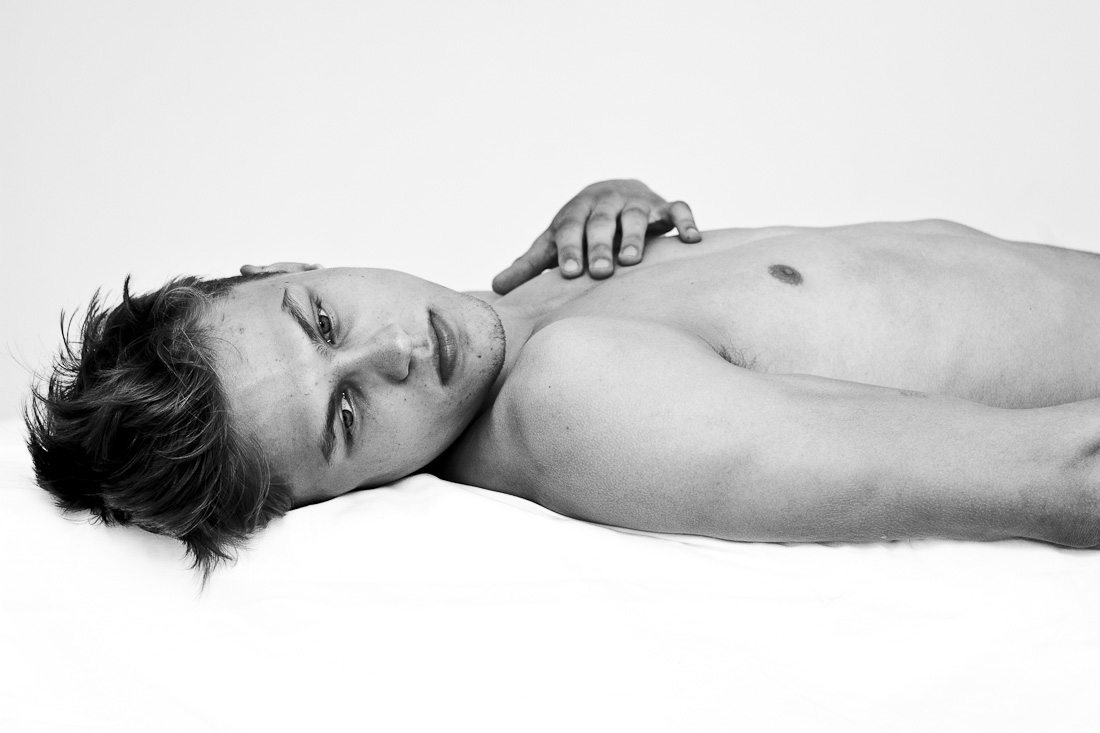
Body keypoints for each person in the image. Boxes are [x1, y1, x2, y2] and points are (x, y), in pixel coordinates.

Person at [26, 180, 1100, 581]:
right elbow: (1059, 477)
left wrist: (627, 210)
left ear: (285, 264)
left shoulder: (539, 304)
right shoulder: (575, 400)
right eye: (346, 415)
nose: (392, 352)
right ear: (331, 496)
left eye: (322, 320)